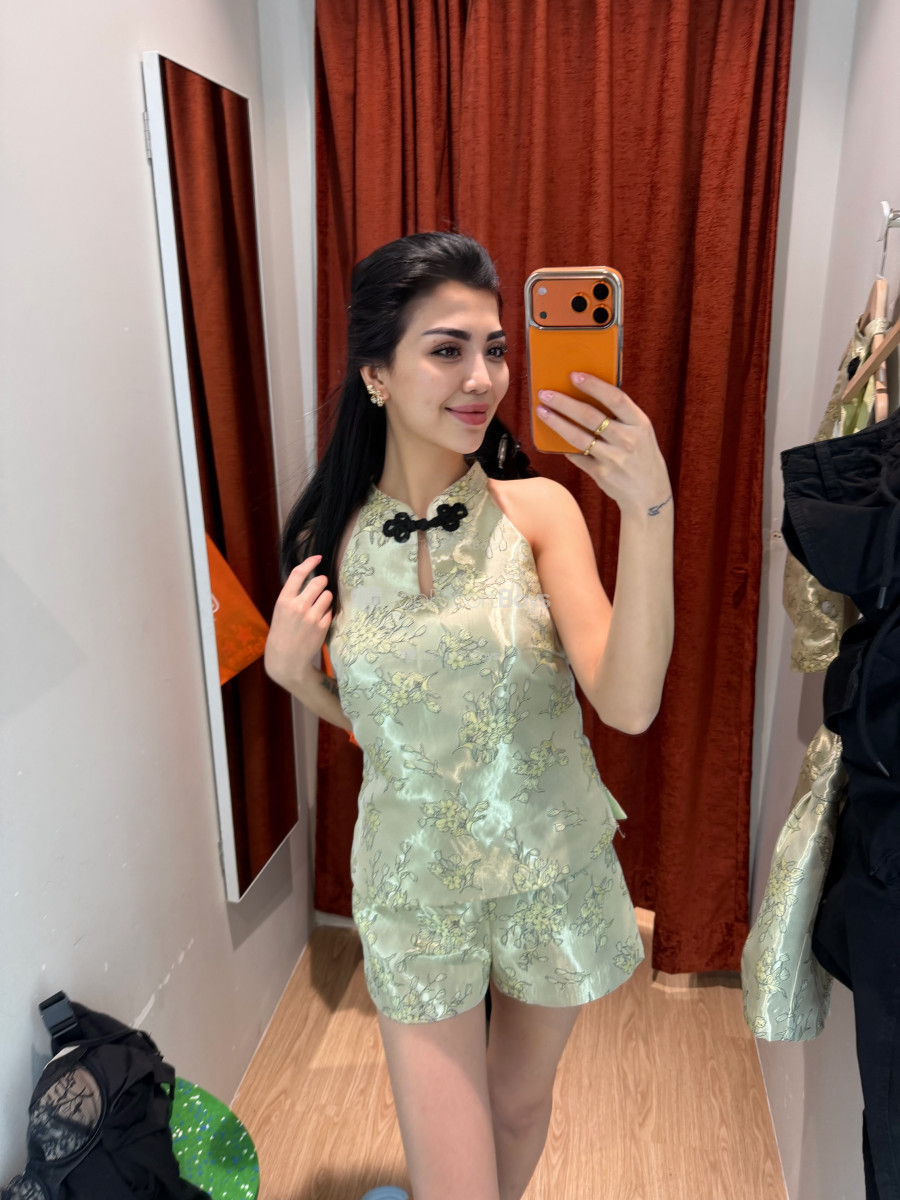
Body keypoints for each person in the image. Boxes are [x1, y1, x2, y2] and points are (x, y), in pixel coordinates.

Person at [264, 231, 674, 1200]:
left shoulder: (540, 512)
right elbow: (391, 731)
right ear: (375, 373)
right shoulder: (329, 538)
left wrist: (650, 512)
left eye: (494, 348)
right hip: (413, 882)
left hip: (550, 863)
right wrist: (293, 676)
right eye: (447, 349)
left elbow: (627, 703)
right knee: (452, 1173)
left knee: (519, 1111)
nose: (482, 376)